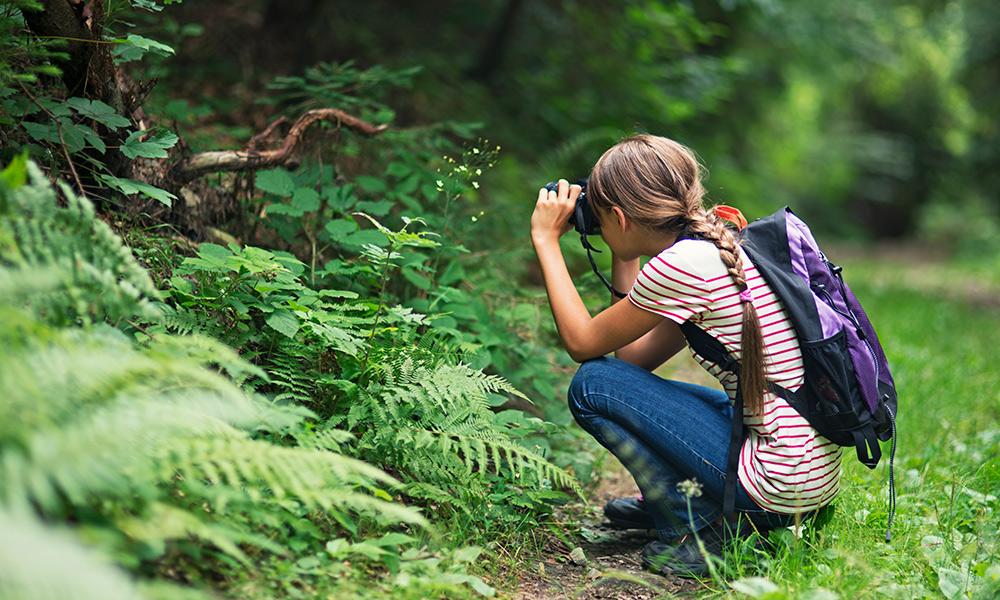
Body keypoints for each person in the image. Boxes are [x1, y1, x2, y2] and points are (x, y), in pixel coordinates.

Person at [529, 134, 840, 577]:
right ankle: (701, 501)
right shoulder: (720, 244)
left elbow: (583, 345)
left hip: (781, 482)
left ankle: (696, 525)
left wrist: (546, 241)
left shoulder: (682, 266)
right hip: (809, 475)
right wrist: (625, 251)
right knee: (653, 391)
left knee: (591, 384)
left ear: (618, 216)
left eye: (602, 217)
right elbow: (634, 360)